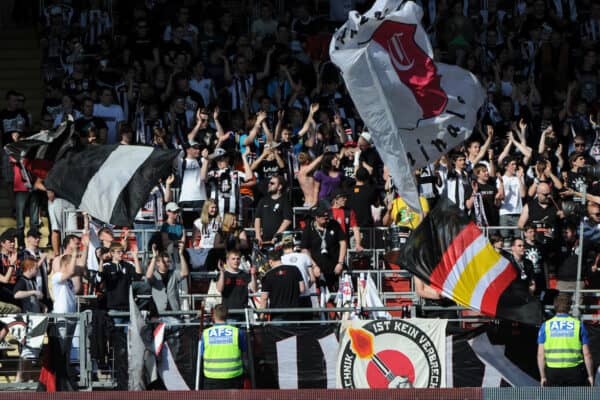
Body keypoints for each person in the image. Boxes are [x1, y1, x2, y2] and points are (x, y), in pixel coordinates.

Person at [537, 292, 594, 386]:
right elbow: (587, 355)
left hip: (552, 372)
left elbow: (540, 355)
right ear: (570, 307)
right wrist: (590, 376)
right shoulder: (578, 325)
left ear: (555, 306)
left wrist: (543, 377)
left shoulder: (545, 326)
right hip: (574, 371)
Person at [301, 203, 346, 291]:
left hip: (335, 267)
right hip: (318, 268)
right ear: (316, 217)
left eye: (327, 217)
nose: (327, 219)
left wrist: (340, 263)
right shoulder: (309, 228)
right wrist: (313, 266)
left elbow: (343, 243)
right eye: (324, 218)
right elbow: (304, 249)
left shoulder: (334, 224)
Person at [200, 304, 246, 389]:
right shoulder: (237, 332)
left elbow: (201, 355)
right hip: (233, 377)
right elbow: (244, 353)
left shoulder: (205, 334)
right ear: (227, 316)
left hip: (212, 378)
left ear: (213, 316)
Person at [259, 249, 305, 320]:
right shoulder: (295, 269)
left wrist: (261, 317)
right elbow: (302, 289)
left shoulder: (268, 275)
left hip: (277, 315)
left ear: (270, 261)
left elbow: (264, 298)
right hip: (295, 313)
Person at [145, 242, 189, 313]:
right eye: (164, 262)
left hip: (174, 312)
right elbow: (148, 276)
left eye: (168, 261)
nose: (166, 264)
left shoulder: (173, 273)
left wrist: (181, 254)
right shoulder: (155, 275)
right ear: (158, 263)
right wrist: (154, 257)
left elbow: (185, 273)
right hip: (159, 314)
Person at [215, 249, 257, 320]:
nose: (236, 261)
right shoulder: (222, 274)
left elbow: (254, 289)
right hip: (228, 313)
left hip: (243, 313)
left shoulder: (245, 274)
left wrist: (253, 275)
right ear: (228, 260)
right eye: (233, 259)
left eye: (238, 259)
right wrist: (222, 272)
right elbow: (219, 289)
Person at [254, 174, 292, 247]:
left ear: (280, 187)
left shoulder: (285, 201)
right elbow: (257, 218)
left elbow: (287, 220)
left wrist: (277, 236)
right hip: (264, 241)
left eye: (272, 183)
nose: (269, 184)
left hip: (280, 241)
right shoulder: (263, 200)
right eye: (269, 182)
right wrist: (258, 236)